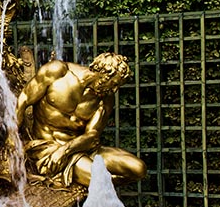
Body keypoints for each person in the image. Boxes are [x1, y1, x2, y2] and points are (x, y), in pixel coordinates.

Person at [15, 53, 146, 188]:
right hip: (48, 148)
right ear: (103, 73)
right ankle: (98, 181)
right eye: (114, 83)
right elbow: (23, 100)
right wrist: (11, 139)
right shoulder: (58, 72)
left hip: (78, 148)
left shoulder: (106, 97)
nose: (114, 89)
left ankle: (98, 181)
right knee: (100, 179)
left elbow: (92, 135)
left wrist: (65, 150)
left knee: (139, 169)